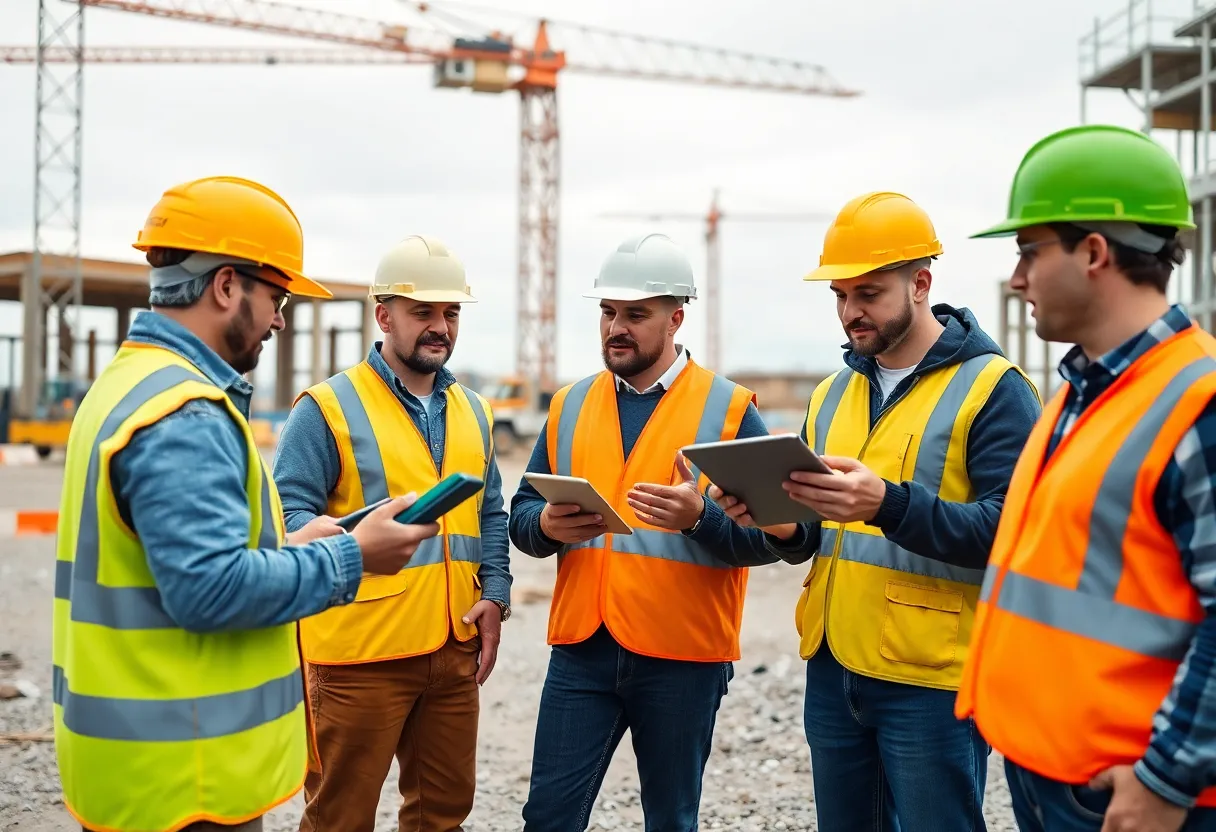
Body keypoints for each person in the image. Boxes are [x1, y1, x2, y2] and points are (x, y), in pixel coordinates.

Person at [51, 176, 438, 832]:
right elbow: (209, 591)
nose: (282, 317)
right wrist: (353, 555)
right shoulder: (185, 413)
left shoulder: (125, 384)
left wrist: (291, 549)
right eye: (276, 296)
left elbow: (167, 562)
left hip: (134, 758)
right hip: (185, 776)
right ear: (226, 286)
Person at [710, 191, 1042, 831]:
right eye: (839, 295)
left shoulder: (994, 389)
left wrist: (887, 503)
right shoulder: (833, 392)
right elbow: (811, 534)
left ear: (921, 284)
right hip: (835, 665)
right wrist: (770, 518)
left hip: (931, 675)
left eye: (868, 294)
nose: (850, 312)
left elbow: (1011, 533)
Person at [956, 124, 1216, 832]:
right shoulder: (1080, 391)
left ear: (1094, 252)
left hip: (1136, 798)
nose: (1016, 279)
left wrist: (1167, 780)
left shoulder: (1200, 400)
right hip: (1052, 776)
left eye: (1028, 252)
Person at [509, 233, 809, 831]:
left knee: (671, 820)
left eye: (635, 315)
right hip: (582, 651)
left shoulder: (728, 411)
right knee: (547, 817)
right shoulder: (568, 406)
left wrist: (700, 520)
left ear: (675, 317)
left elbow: (784, 540)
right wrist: (545, 523)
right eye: (608, 313)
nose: (616, 328)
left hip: (682, 657)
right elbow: (521, 517)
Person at [272, 234, 511, 832]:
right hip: (359, 654)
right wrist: (351, 540)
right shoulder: (327, 406)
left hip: (452, 646)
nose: (441, 327)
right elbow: (288, 517)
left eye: (451, 313)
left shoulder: (475, 411)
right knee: (340, 817)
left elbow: (491, 514)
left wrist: (497, 593)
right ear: (384, 315)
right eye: (423, 312)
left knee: (443, 813)